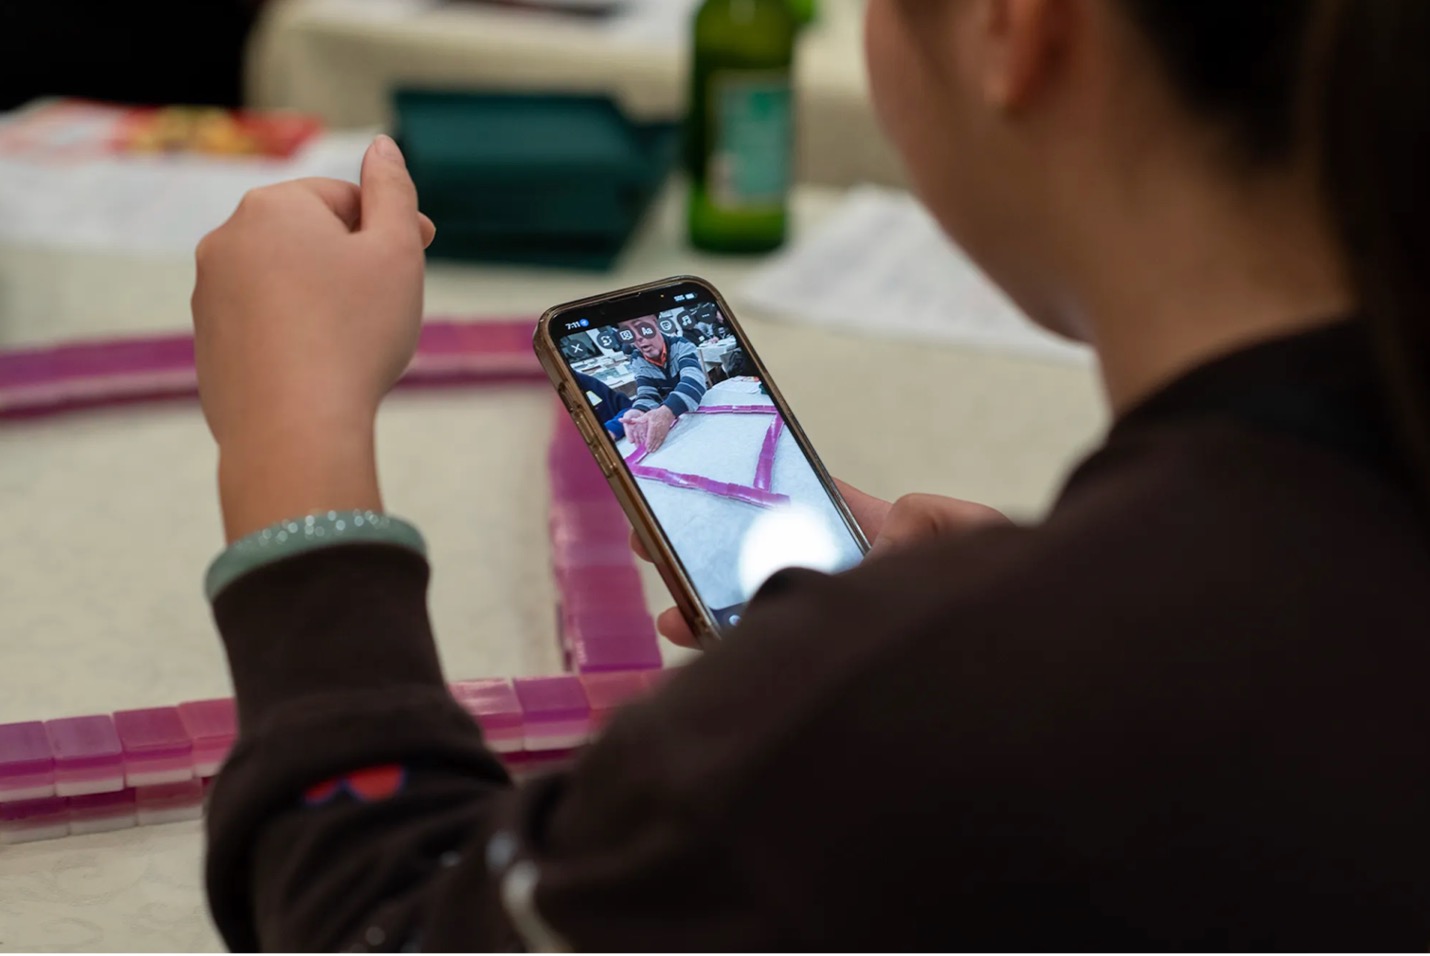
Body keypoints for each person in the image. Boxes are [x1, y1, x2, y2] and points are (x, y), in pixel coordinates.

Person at [190, 0, 1430, 949]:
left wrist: (294, 436)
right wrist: (1046, 609)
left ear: (1014, 30)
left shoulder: (890, 709)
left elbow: (386, 920)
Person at [615, 316, 709, 452]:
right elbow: (647, 392)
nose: (638, 337)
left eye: (640, 327)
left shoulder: (681, 344)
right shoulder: (637, 359)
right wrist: (639, 411)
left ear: (655, 323)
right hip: (678, 423)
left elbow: (694, 380)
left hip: (701, 410)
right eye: (627, 333)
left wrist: (667, 411)